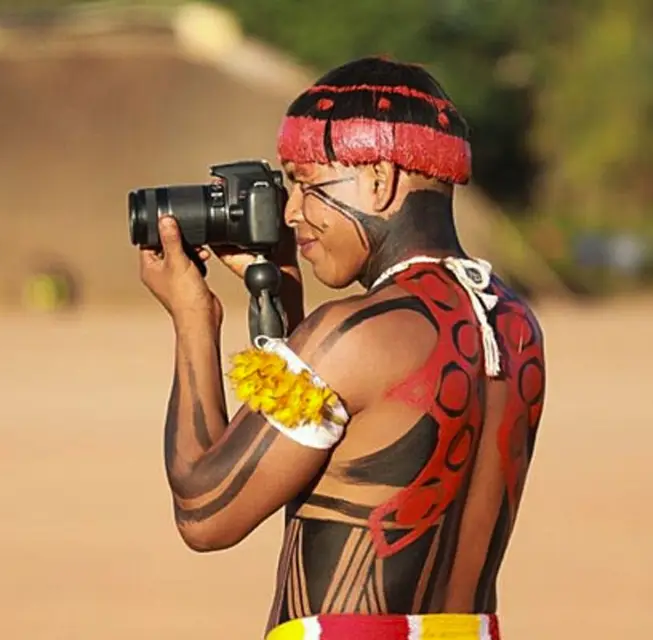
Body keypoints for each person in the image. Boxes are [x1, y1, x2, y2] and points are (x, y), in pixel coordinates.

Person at [138, 57, 547, 640]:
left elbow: (205, 514)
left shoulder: (355, 334)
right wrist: (290, 312)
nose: (291, 211)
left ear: (378, 179)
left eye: (307, 183)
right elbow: (349, 442)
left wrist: (193, 318)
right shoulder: (512, 323)